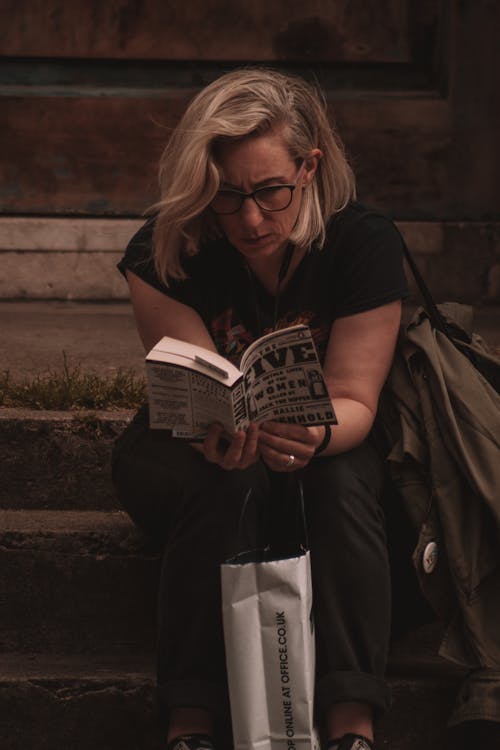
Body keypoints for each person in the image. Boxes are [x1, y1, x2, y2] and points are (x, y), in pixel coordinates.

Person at [112, 67, 409, 750]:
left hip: (329, 442)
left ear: (309, 167)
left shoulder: (362, 243)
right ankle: (190, 720)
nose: (249, 219)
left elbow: (357, 399)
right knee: (226, 477)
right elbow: (194, 386)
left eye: (270, 192)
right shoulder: (169, 248)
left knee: (335, 481)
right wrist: (209, 436)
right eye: (227, 195)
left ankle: (352, 723)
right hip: (192, 452)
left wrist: (313, 432)